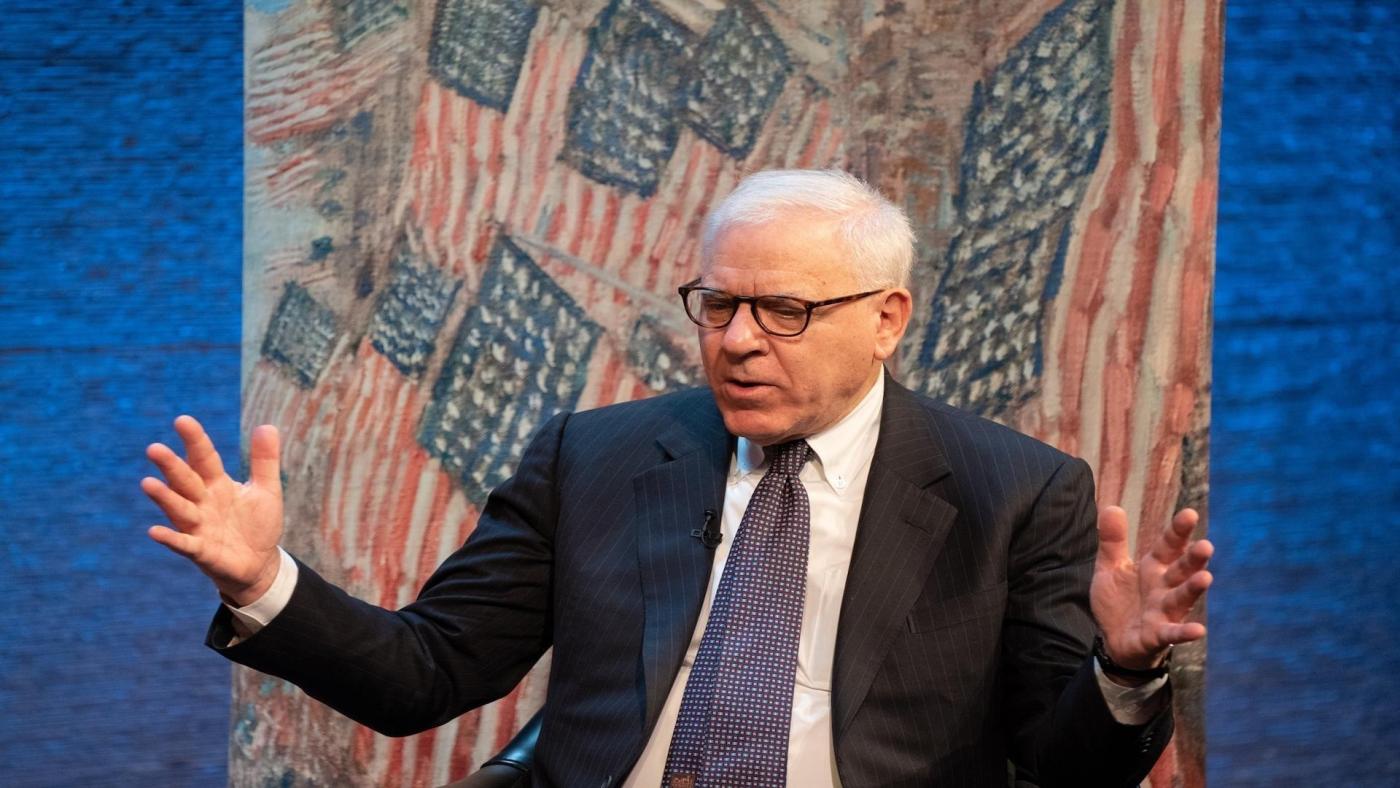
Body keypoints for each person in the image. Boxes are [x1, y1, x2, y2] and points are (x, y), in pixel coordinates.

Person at [142, 169, 1213, 786]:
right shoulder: (595, 457)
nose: (738, 342)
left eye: (783, 311)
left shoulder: (1014, 491)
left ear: (887, 318)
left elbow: (1066, 771)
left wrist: (1119, 667)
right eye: (718, 304)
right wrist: (262, 579)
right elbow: (424, 672)